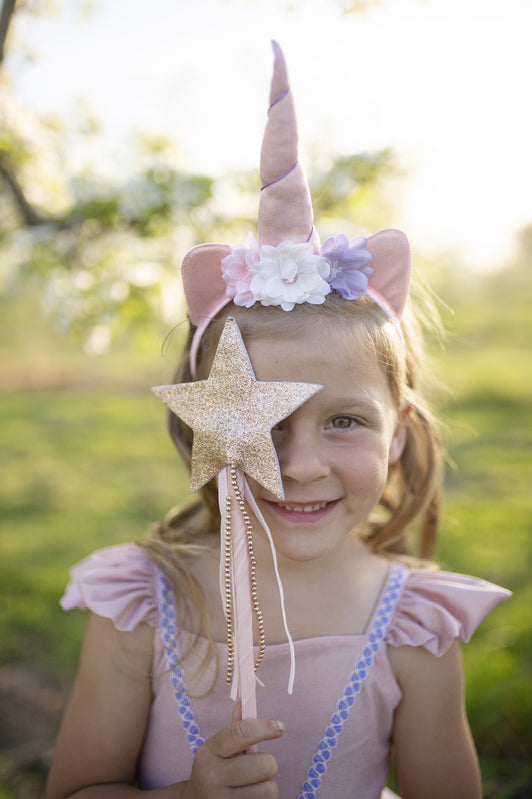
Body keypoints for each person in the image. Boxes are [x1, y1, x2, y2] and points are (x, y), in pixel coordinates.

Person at [46, 42, 510, 799]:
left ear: (397, 431)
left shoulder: (414, 629)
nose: (298, 465)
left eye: (345, 422)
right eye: (267, 422)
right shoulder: (144, 605)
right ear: (201, 427)